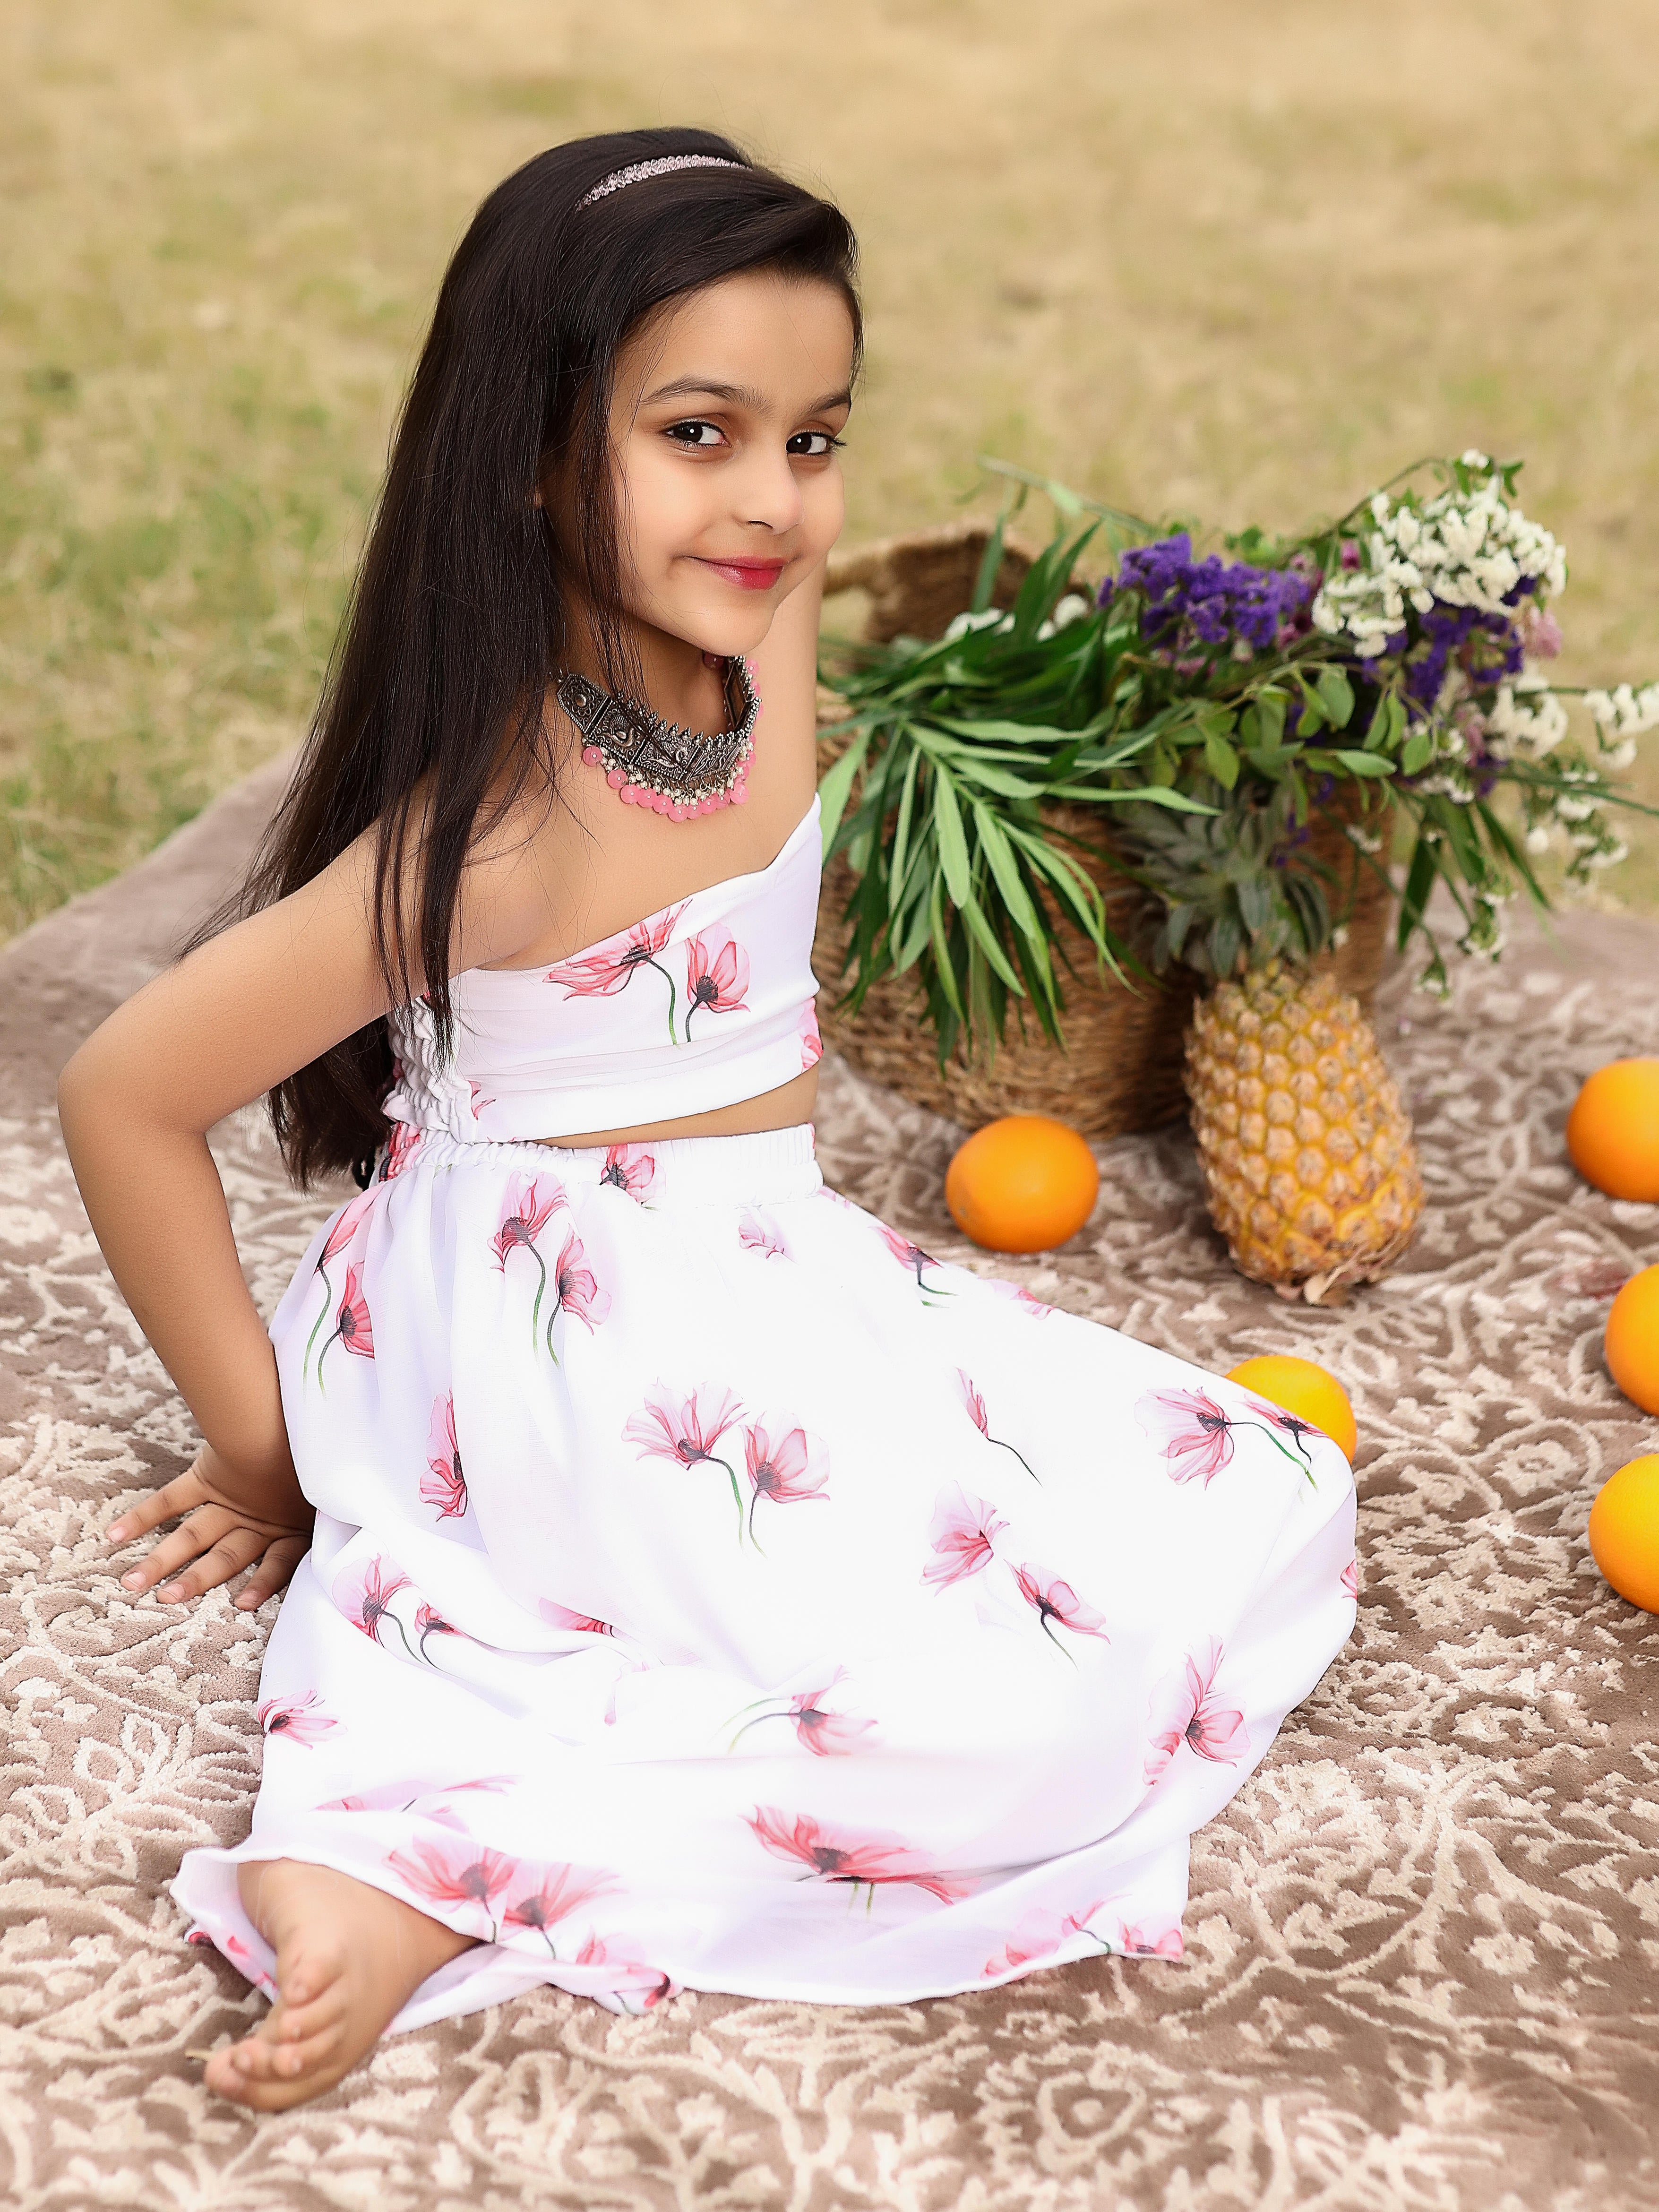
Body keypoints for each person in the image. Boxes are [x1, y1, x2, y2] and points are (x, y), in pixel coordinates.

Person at [57, 128, 1359, 2113]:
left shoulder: (761, 656)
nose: (771, 502)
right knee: (972, 1725)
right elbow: (124, 1089)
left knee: (1223, 1498)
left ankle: (442, 1859)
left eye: (812, 438)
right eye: (698, 432)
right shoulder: (493, 837)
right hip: (557, 1345)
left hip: (765, 1272)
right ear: (528, 449)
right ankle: (398, 1873)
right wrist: (269, 1457)